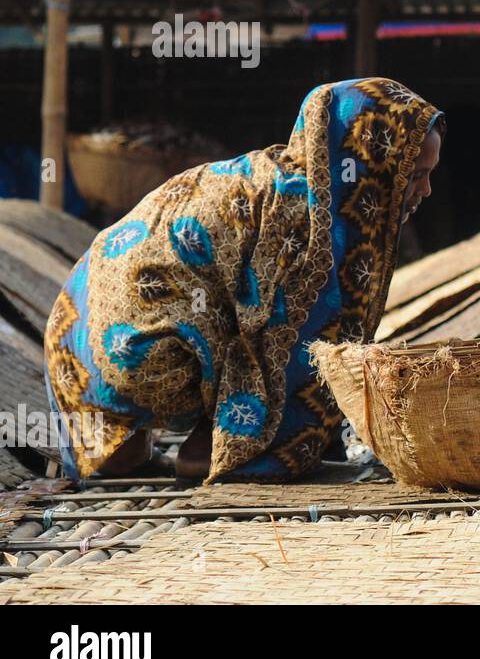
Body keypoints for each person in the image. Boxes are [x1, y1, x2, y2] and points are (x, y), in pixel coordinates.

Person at [44, 77, 445, 482]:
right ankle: (219, 452)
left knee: (121, 465)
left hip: (72, 345)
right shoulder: (304, 217)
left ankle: (125, 452)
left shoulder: (272, 175)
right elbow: (289, 350)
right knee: (301, 334)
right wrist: (291, 440)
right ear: (371, 159)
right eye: (414, 175)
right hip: (145, 355)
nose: (425, 190)